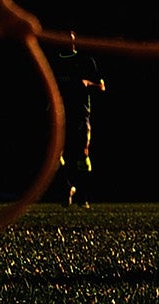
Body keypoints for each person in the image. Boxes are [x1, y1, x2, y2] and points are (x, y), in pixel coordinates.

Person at [50, 32, 105, 206]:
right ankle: (67, 187)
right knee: (54, 154)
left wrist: (87, 83)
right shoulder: (54, 62)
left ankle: (83, 196)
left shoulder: (85, 60)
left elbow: (102, 87)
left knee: (82, 154)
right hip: (60, 115)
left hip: (80, 115)